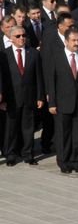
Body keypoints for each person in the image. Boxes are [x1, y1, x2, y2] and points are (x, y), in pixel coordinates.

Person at [44, 27, 78, 173]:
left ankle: (76, 160)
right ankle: (63, 161)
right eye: (73, 40)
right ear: (66, 41)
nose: (76, 43)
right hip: (62, 103)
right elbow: (51, 81)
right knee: (63, 134)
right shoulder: (57, 56)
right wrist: (52, 102)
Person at [1, 25, 44, 165]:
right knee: (11, 128)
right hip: (11, 98)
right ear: (11, 39)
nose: (22, 38)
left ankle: (28, 154)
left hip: (29, 97)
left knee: (28, 127)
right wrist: (2, 99)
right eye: (18, 36)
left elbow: (39, 77)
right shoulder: (4, 55)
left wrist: (40, 96)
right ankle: (11, 154)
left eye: (24, 35)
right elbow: (2, 79)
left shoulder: (33, 53)